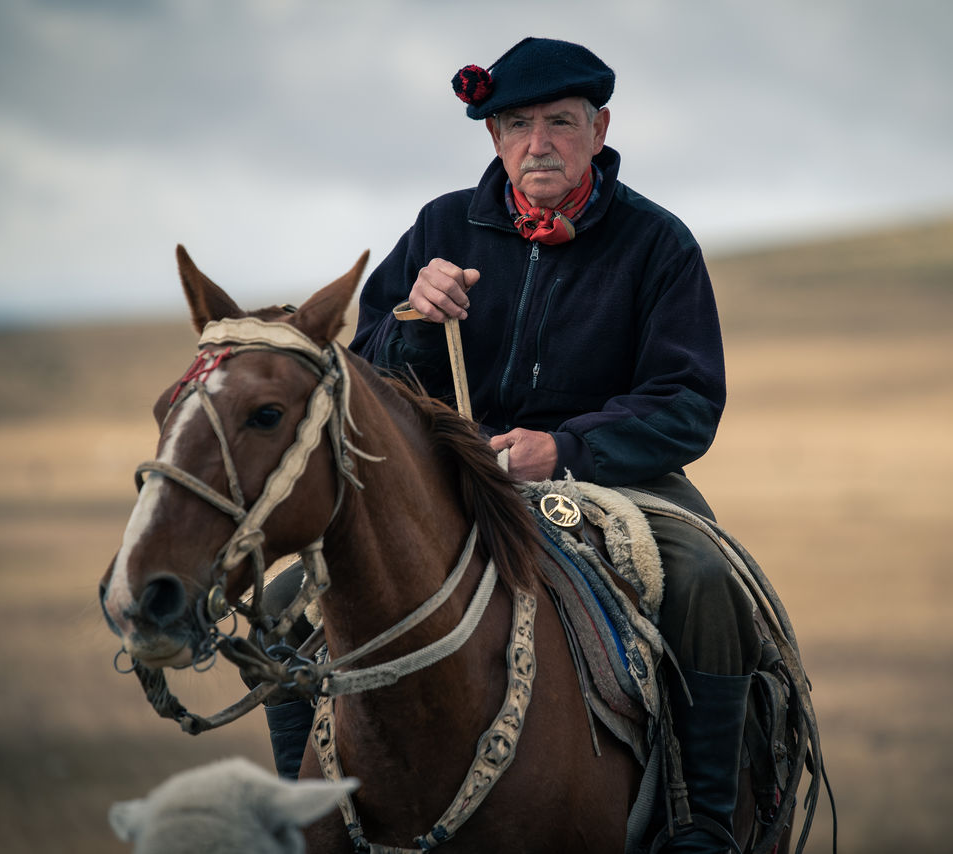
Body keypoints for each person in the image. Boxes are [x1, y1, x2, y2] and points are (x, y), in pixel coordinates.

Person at [266, 38, 762, 853]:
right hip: (453, 481)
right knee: (294, 605)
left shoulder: (656, 244)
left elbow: (687, 403)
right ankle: (301, 816)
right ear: (494, 137)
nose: (539, 142)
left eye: (561, 122)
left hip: (616, 484)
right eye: (518, 123)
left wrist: (565, 449)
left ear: (599, 130)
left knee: (705, 579)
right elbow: (363, 379)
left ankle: (704, 822)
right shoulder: (441, 225)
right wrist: (412, 323)